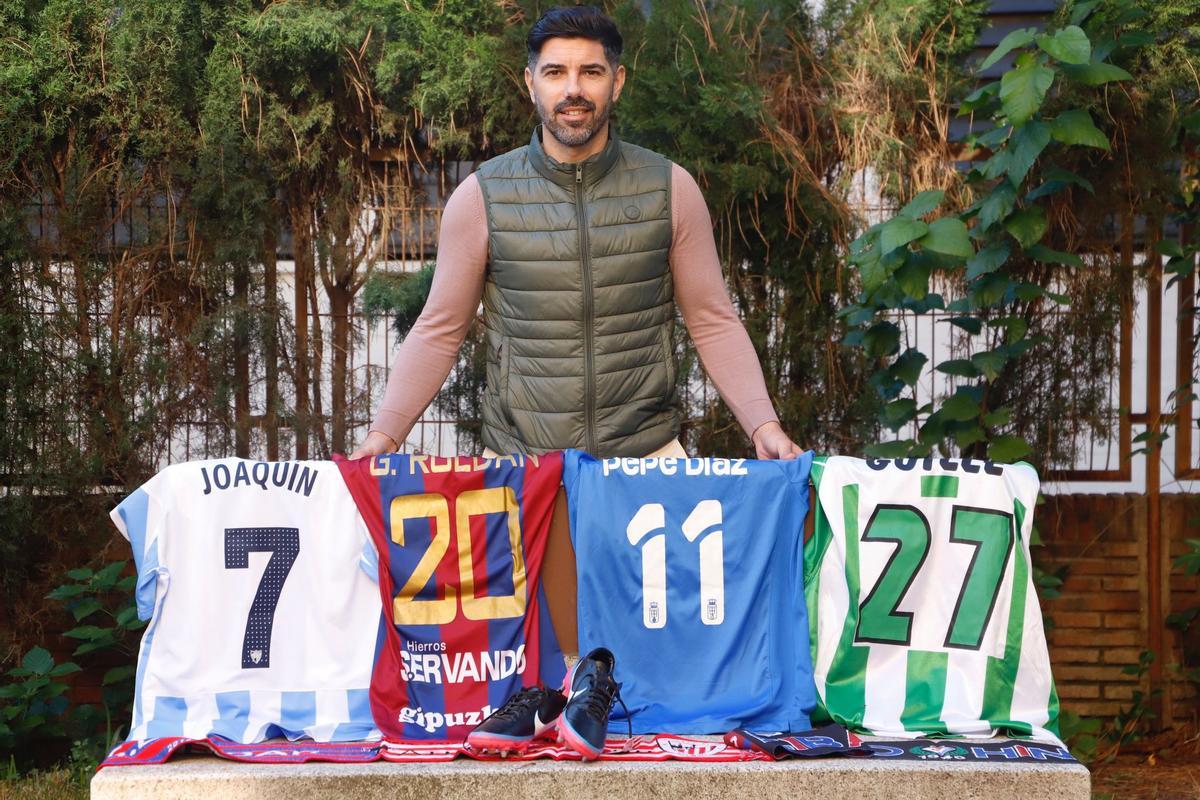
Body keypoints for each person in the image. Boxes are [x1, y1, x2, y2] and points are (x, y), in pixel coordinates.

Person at [350, 5, 801, 463]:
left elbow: (712, 320)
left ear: (617, 81)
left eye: (591, 71)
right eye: (555, 72)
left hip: (648, 461)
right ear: (531, 83)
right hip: (520, 465)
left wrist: (764, 426)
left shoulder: (670, 187)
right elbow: (440, 329)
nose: (573, 90)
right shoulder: (482, 197)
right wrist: (385, 436)